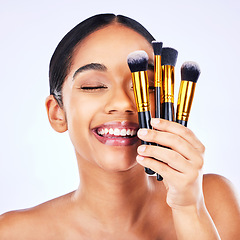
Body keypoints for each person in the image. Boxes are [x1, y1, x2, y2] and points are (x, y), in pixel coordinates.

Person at [0, 13, 239, 240]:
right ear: (57, 113)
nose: (123, 103)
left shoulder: (213, 200)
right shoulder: (13, 233)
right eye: (93, 86)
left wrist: (189, 208)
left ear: (166, 100)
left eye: (144, 85)